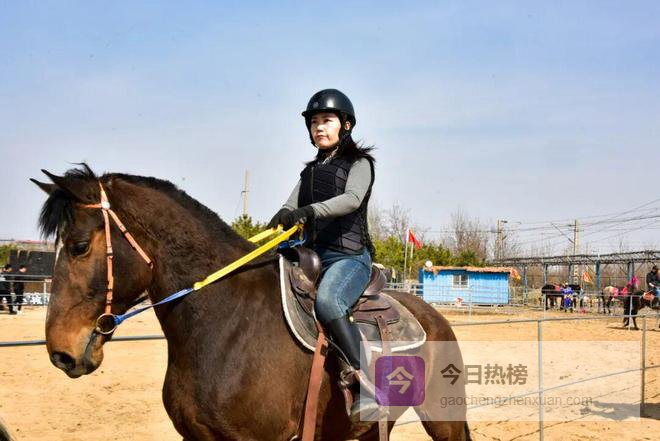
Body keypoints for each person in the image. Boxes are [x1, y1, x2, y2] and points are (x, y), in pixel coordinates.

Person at [267, 89, 379, 421]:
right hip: (312, 258)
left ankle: (367, 384)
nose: (319, 127)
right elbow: (291, 204)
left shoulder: (360, 163)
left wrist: (308, 211)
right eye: (314, 122)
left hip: (349, 258)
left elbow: (352, 200)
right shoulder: (309, 172)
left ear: (346, 125)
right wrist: (281, 217)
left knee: (329, 302)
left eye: (327, 120)